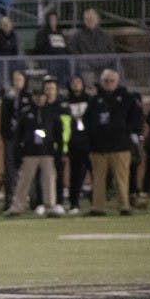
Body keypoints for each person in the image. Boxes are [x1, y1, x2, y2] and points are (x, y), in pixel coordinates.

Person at [87, 69, 143, 216]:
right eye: (106, 80)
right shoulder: (94, 100)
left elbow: (137, 118)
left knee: (121, 179)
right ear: (101, 81)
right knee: (98, 180)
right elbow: (87, 121)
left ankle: (124, 206)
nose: (108, 83)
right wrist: (92, 138)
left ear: (117, 82)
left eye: (111, 81)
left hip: (120, 145)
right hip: (98, 147)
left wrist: (129, 133)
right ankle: (98, 207)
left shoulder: (127, 98)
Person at [7, 85, 64, 217]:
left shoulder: (52, 112)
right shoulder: (26, 112)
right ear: (33, 97)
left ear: (45, 97)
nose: (39, 99)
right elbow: (18, 134)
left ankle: (50, 207)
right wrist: (18, 151)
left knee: (49, 180)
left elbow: (58, 133)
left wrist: (58, 151)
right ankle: (17, 207)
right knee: (24, 181)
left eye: (42, 96)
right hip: (30, 152)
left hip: (47, 152)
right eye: (37, 96)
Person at [0, 70, 32, 211]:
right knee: (10, 171)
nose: (17, 82)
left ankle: (33, 200)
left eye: (20, 79)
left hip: (26, 138)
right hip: (11, 138)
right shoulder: (8, 98)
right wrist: (6, 134)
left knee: (29, 169)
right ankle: (10, 201)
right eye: (15, 79)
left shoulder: (29, 97)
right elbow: (4, 119)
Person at [64, 75, 91, 214]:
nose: (76, 85)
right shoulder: (66, 101)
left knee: (97, 174)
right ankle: (74, 204)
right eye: (73, 82)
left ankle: (97, 202)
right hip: (74, 143)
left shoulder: (90, 100)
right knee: (75, 175)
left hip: (90, 143)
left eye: (79, 82)